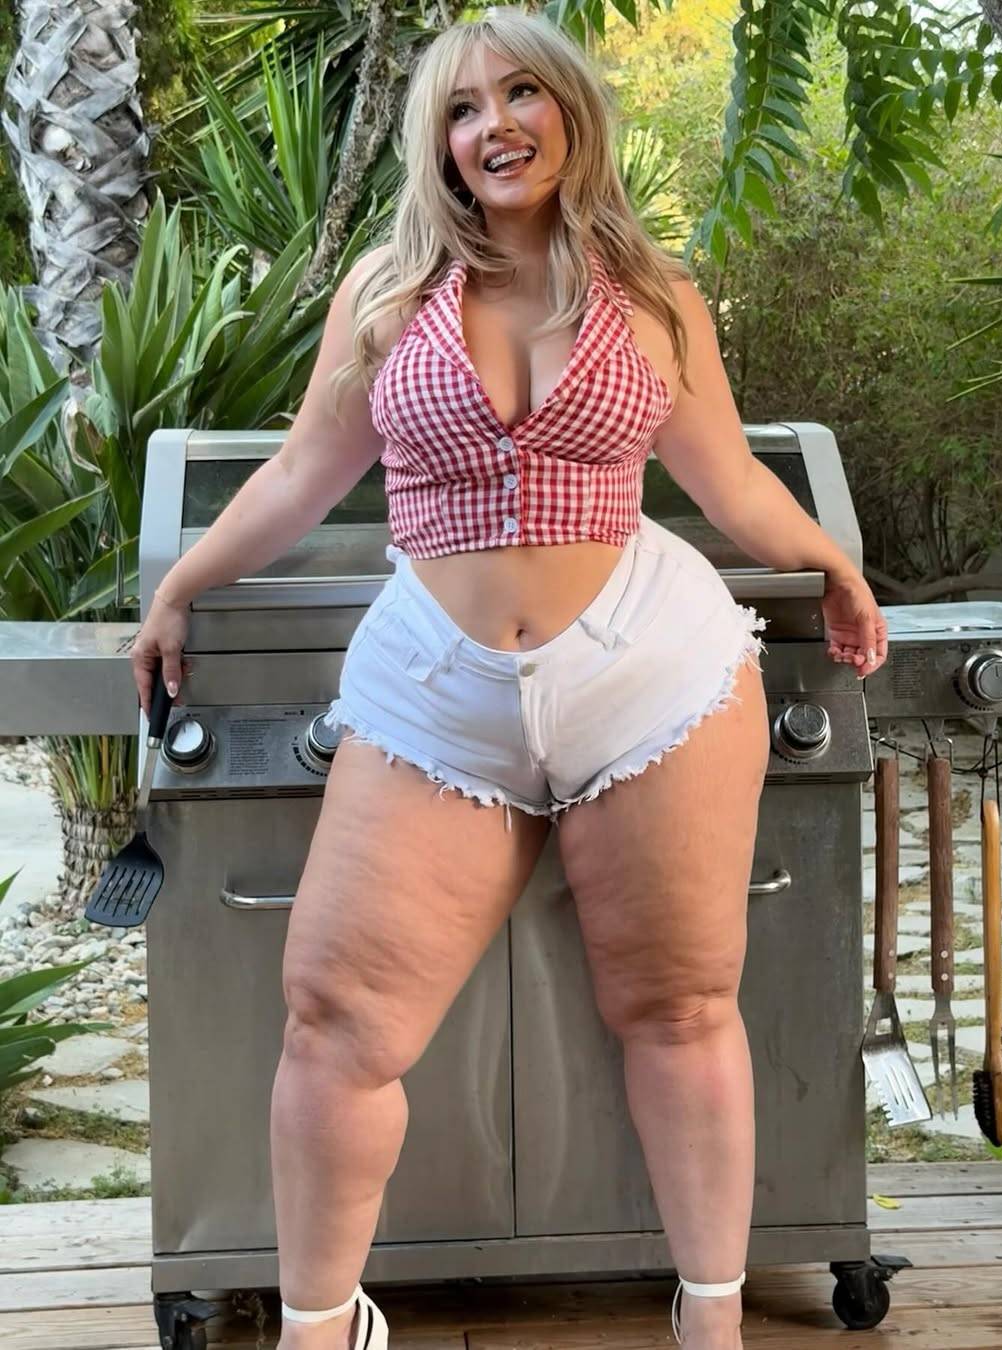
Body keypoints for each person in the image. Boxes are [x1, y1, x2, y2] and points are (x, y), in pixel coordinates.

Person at [131, 9, 889, 1349]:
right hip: (439, 687)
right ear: (439, 145)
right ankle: (320, 1327)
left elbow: (728, 481)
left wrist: (834, 563)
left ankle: (712, 1323)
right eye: (463, 109)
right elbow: (303, 473)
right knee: (333, 1021)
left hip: (647, 675)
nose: (496, 127)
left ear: (571, 111)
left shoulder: (653, 294)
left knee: (679, 1007)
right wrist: (180, 584)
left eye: (522, 93)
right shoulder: (386, 296)